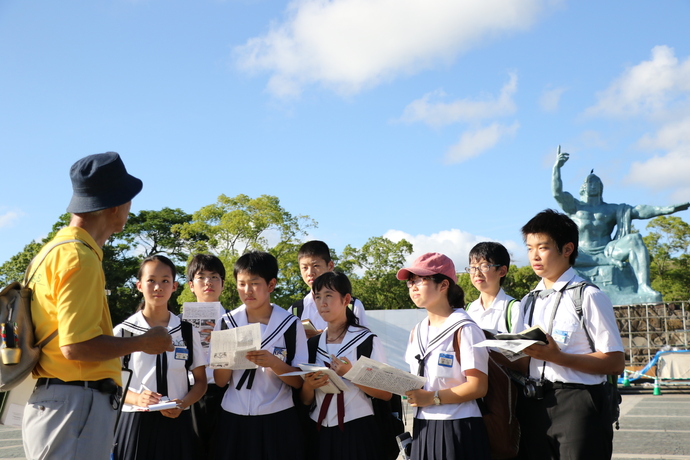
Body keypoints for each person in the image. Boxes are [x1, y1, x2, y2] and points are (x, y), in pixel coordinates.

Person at [22, 152, 173, 460]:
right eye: (129, 198)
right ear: (114, 205)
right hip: (75, 404)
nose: (131, 207)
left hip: (58, 402)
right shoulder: (80, 257)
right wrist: (145, 342)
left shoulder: (50, 252)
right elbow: (76, 346)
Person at [516, 209, 625, 460]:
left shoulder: (588, 296)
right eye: (529, 248)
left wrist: (557, 357)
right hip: (534, 404)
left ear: (567, 249)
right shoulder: (528, 301)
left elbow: (615, 362)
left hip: (580, 404)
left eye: (542, 247)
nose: (534, 255)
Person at [552, 146, 689, 297]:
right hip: (582, 254)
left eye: (597, 183)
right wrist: (556, 168)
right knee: (559, 252)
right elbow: (557, 193)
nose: (594, 185)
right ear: (583, 188)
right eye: (590, 183)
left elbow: (640, 210)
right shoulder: (574, 207)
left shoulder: (611, 209)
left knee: (634, 239)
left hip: (608, 251)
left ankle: (643, 287)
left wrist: (667, 209)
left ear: (601, 188)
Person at [213, 251, 307, 460]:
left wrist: (274, 362)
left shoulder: (290, 325)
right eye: (242, 283)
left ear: (271, 285)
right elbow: (220, 381)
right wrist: (230, 357)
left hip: (278, 417)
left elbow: (300, 381)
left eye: (254, 283)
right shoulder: (227, 322)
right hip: (233, 416)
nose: (247, 291)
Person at [113, 255, 207, 460]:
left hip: (178, 422)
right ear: (139, 286)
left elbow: (201, 382)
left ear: (174, 286)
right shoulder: (123, 332)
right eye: (151, 280)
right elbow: (110, 383)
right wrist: (138, 398)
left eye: (165, 281)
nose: (158, 287)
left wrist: (182, 403)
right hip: (135, 422)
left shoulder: (187, 332)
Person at [399, 252, 490, 460]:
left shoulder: (465, 328)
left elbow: (478, 386)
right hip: (423, 426)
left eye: (420, 280)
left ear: (443, 285)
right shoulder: (417, 331)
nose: (413, 286)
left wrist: (432, 397)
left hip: (458, 426)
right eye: (410, 282)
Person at [300, 271, 391, 460]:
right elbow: (306, 400)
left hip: (357, 428)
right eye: (317, 297)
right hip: (318, 429)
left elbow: (385, 393)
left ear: (346, 299)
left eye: (328, 296)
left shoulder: (366, 340)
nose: (322, 303)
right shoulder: (311, 344)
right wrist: (309, 385)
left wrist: (352, 374)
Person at [184, 254, 228, 458]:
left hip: (227, 394)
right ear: (191, 285)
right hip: (189, 394)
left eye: (214, 277)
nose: (208, 282)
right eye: (201, 277)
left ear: (223, 284)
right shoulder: (176, 323)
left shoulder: (236, 320)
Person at [292, 241, 367, 338]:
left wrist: (321, 339)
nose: (310, 272)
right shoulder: (296, 310)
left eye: (316, 266)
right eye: (304, 267)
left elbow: (363, 341)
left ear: (330, 266)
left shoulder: (352, 305)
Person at [465, 242, 519, 334]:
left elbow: (521, 346)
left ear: (502, 271)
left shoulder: (514, 308)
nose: (477, 273)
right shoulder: (468, 310)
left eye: (484, 266)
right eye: (473, 267)